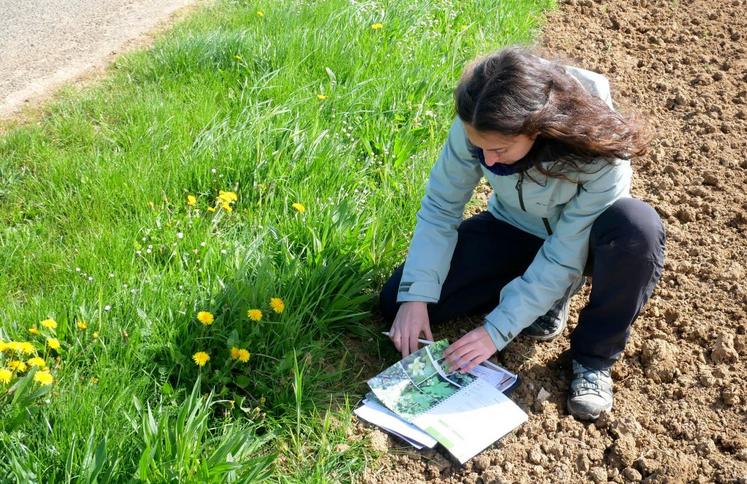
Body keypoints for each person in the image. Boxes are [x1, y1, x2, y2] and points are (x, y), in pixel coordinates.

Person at [378, 46, 665, 421]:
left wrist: (495, 331)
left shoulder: (599, 151)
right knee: (394, 301)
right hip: (512, 227)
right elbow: (440, 208)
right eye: (480, 148)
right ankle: (533, 294)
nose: (488, 161)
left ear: (539, 128)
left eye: (499, 150)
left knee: (636, 227)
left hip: (581, 243)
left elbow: (564, 253)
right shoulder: (480, 122)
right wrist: (416, 296)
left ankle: (593, 357)